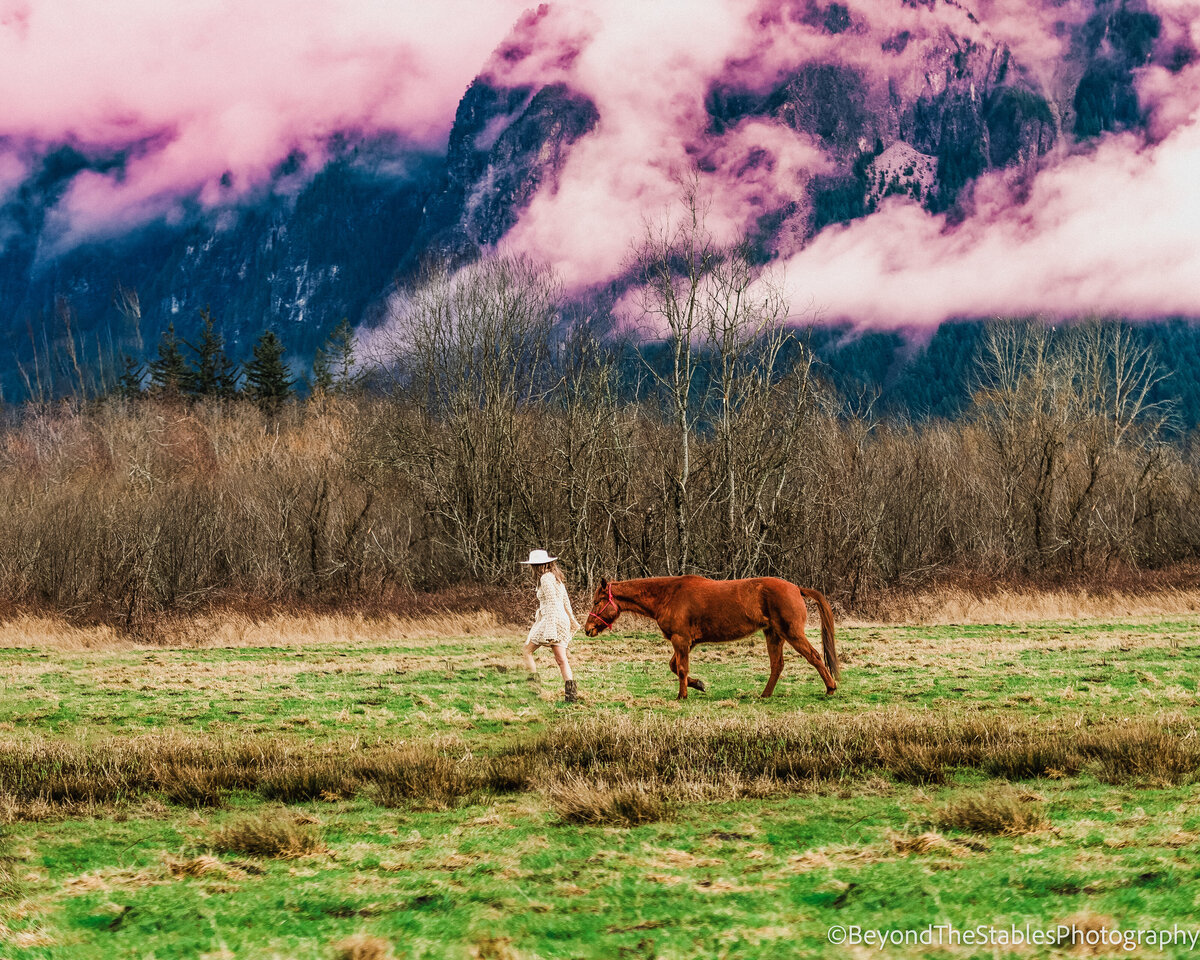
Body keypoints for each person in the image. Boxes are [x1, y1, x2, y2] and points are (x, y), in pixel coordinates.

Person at [520, 549, 582, 703]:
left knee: (527, 651)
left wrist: (550, 629)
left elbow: (553, 603)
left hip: (552, 620)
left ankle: (534, 690)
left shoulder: (546, 579)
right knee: (561, 659)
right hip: (561, 620)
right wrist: (570, 620)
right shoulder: (556, 577)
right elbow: (565, 601)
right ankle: (571, 696)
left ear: (537, 565)